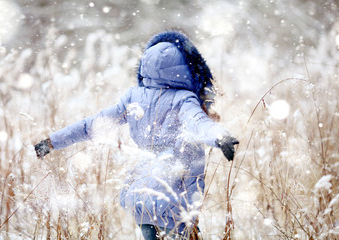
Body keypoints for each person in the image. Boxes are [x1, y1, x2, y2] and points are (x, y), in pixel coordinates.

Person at [34, 31, 239, 239]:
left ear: (145, 66)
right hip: (174, 190)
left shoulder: (133, 97)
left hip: (141, 188)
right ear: (187, 70)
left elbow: (92, 125)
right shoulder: (184, 99)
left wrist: (52, 142)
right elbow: (199, 124)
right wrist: (220, 137)